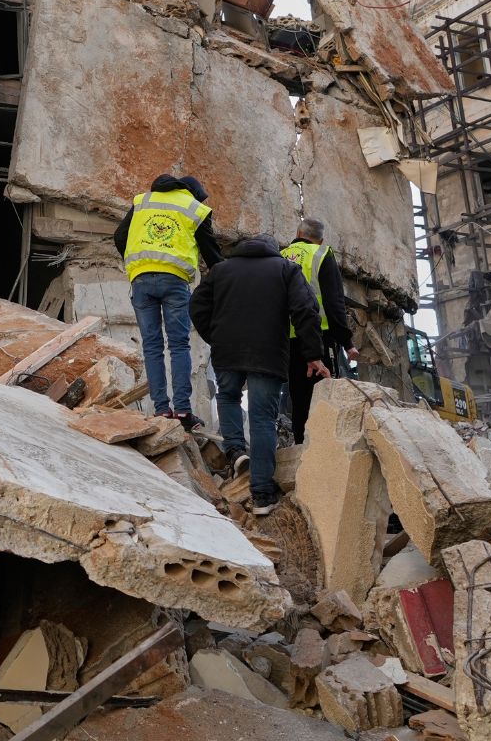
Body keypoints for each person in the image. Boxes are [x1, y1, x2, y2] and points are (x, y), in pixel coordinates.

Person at [190, 234, 328, 515]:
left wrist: (216, 337)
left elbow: (197, 307)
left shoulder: (221, 270)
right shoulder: (285, 269)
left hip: (227, 351)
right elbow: (306, 310)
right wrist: (313, 354)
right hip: (268, 352)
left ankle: (236, 452)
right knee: (263, 417)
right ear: (275, 250)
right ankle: (263, 496)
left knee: (227, 396)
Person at [113, 174, 223, 432]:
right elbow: (212, 254)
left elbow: (120, 236)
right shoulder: (195, 209)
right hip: (174, 282)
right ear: (193, 193)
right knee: (178, 345)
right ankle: (183, 410)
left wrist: (135, 265)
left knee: (152, 346)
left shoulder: (142, 201)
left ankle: (162, 409)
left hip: (140, 280)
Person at [281, 218, 358, 443]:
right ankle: (322, 448)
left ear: (298, 233)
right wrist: (347, 342)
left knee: (297, 396)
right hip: (318, 338)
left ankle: (300, 445)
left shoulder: (281, 256)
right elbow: (334, 303)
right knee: (322, 395)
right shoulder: (322, 254)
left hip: (287, 339)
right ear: (321, 239)